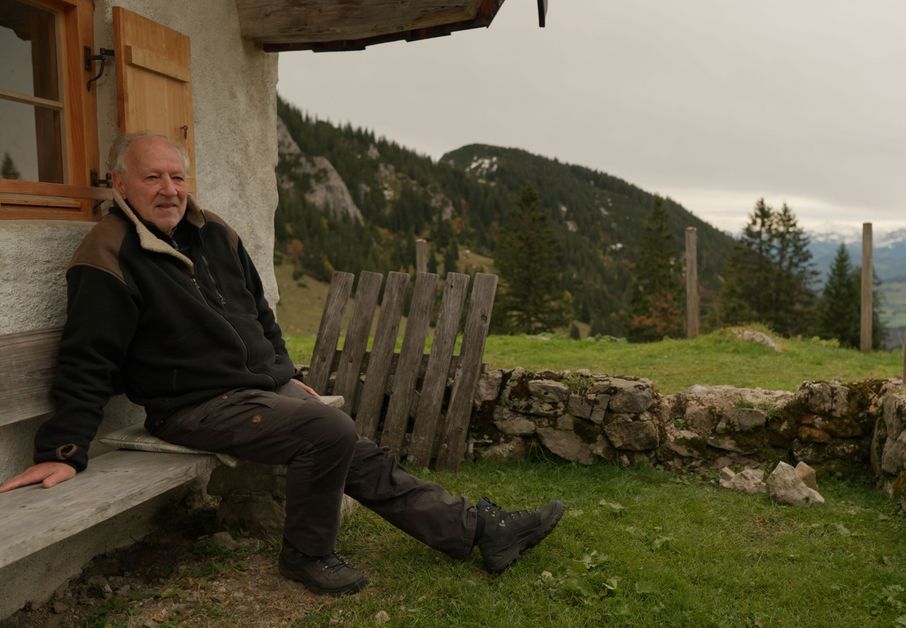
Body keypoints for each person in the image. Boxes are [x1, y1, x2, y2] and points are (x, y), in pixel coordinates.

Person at [0, 132, 564, 595]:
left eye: (177, 176)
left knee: (356, 447)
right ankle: (307, 554)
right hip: (191, 407)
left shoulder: (214, 231)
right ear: (119, 182)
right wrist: (64, 452)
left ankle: (477, 529)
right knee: (330, 430)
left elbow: (257, 312)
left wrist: (288, 375)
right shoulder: (107, 255)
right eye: (152, 177)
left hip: (257, 389)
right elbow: (86, 359)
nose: (169, 189)